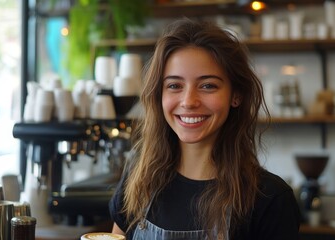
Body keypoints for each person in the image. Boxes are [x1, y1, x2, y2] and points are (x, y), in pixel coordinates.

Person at [109, 18, 300, 240]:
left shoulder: (270, 199)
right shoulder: (138, 180)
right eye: (174, 86)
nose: (189, 101)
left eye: (208, 85)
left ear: (235, 95)